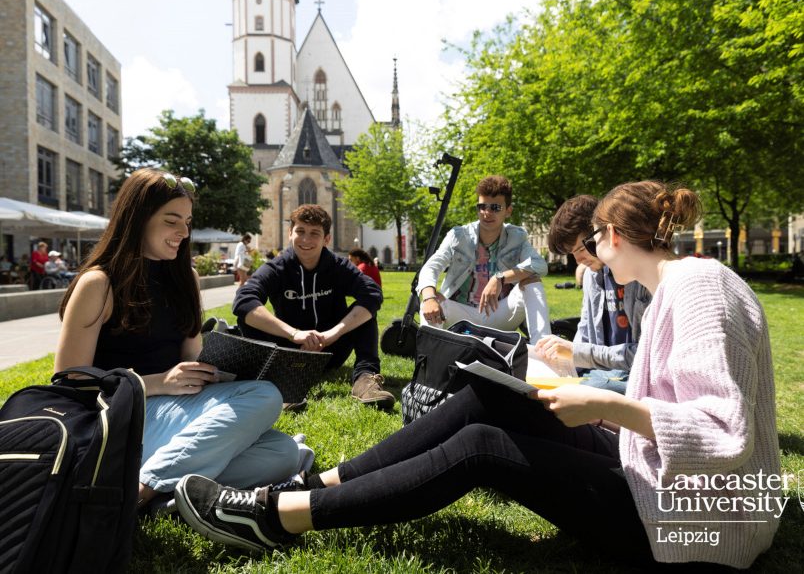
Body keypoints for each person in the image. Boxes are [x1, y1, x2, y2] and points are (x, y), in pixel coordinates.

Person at [175, 180, 781, 570]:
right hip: (651, 474)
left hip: (692, 525)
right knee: (486, 397)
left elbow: (721, 434)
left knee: (483, 447)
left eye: (593, 240)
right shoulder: (685, 286)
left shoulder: (699, 290)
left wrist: (600, 403)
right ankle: (323, 481)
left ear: (614, 236)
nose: (587, 256)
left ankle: (276, 516)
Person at [55, 169, 300, 512]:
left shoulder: (186, 277)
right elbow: (70, 383)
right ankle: (140, 492)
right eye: (172, 220)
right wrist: (158, 383)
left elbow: (191, 359)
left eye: (187, 221)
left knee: (284, 452)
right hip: (122, 418)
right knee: (265, 398)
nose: (184, 232)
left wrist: (223, 370)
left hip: (173, 416)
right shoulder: (99, 283)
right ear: (138, 218)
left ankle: (160, 493)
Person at [233, 204, 394, 409]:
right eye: (300, 231)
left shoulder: (337, 266)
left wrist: (332, 334)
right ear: (290, 233)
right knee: (247, 317)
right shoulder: (277, 267)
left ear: (327, 239)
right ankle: (280, 382)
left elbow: (372, 293)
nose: (306, 240)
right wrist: (294, 334)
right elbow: (244, 299)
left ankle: (365, 380)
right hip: (288, 350)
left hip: (330, 349)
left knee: (365, 312)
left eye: (314, 233)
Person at [535, 195, 653, 393]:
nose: (579, 259)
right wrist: (563, 363)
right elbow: (585, 332)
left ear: (602, 234)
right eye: (572, 253)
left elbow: (646, 356)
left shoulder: (640, 275)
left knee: (581, 390)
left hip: (634, 377)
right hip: (600, 373)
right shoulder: (592, 276)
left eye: (581, 248)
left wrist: (578, 353)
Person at [417, 175, 550, 344]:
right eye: (482, 206)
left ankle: (543, 349)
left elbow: (539, 265)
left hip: (499, 314)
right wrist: (429, 298)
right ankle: (430, 362)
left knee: (532, 283)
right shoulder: (459, 235)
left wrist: (500, 278)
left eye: (495, 207)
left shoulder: (517, 236)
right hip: (460, 313)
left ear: (508, 211)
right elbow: (431, 267)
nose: (487, 213)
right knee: (429, 302)